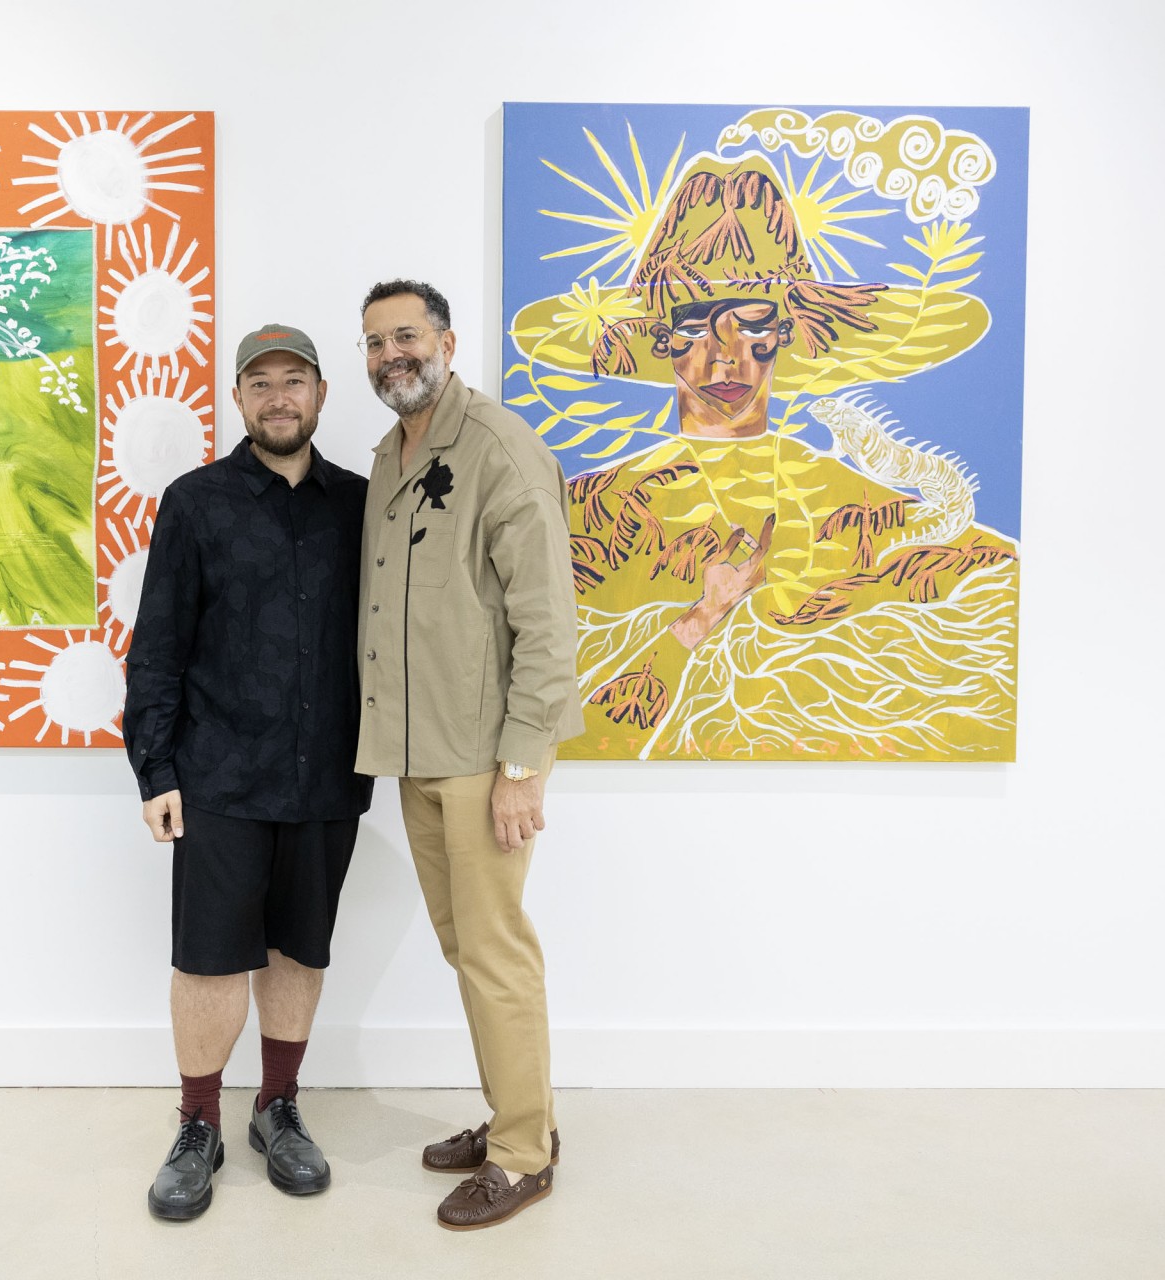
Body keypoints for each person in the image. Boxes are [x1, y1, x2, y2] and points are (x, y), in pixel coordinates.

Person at [505, 151, 1018, 760]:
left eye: (751, 328)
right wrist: (701, 619)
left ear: (784, 336)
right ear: (663, 341)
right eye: (696, 329)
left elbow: (992, 590)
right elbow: (569, 723)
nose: (725, 357)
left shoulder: (851, 500)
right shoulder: (595, 507)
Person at [123, 324, 371, 1222]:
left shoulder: (362, 505)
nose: (277, 397)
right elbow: (157, 647)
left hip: (328, 774)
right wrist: (154, 768)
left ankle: (278, 1107)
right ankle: (198, 1124)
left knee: (300, 949)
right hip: (218, 775)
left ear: (321, 394)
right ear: (237, 399)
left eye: (293, 380)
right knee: (210, 961)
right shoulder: (195, 504)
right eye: (259, 383)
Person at [355, 279, 583, 1230]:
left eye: (406, 335)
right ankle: (515, 1116)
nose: (391, 355)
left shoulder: (499, 449)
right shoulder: (390, 452)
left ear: (446, 342)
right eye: (375, 342)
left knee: (494, 950)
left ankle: (524, 1153)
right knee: (465, 945)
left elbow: (549, 623)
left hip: (489, 755)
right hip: (420, 747)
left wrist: (523, 767)